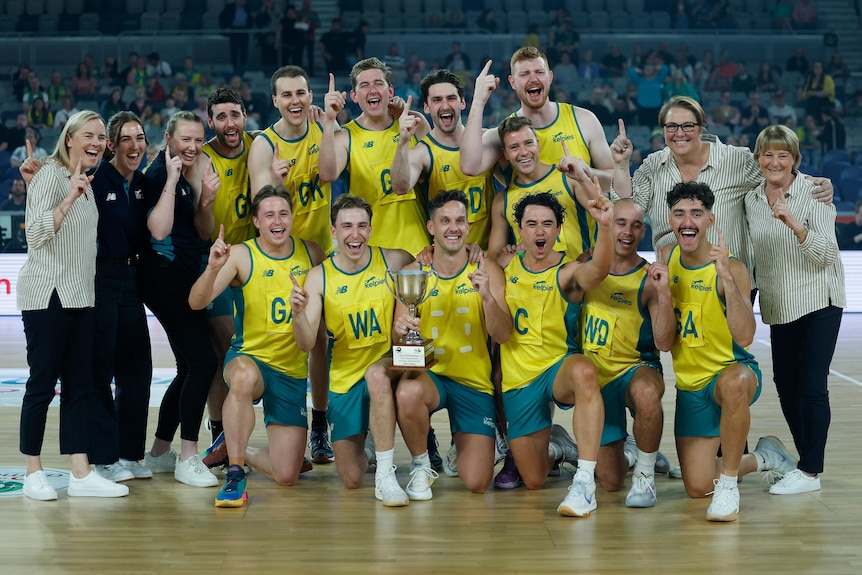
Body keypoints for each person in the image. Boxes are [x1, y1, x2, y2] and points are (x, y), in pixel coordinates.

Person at [656, 181, 796, 522]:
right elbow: (662, 342)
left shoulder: (731, 268)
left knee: (733, 384)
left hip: (732, 372)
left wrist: (728, 282)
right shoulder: (666, 257)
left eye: (696, 214)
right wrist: (661, 294)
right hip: (691, 386)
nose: (687, 220)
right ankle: (765, 457)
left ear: (710, 221)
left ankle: (730, 486)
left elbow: (746, 336)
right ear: (671, 220)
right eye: (679, 214)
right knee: (696, 486)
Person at [189, 185, 326, 507]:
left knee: (288, 474)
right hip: (251, 359)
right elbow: (196, 302)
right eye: (269, 215)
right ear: (256, 221)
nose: (277, 221)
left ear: (292, 217)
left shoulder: (313, 253)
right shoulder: (240, 254)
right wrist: (211, 269)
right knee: (241, 379)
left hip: (291, 373)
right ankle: (235, 472)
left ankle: (238, 450)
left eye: (283, 213)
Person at [17, 110, 129, 500]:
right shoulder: (48, 174)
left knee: (80, 385)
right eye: (89, 135)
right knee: (42, 385)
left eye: (101, 136)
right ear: (69, 138)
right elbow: (35, 235)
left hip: (82, 295)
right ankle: (33, 471)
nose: (97, 142)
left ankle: (80, 473)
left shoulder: (91, 182)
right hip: (47, 295)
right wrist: (66, 198)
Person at [612, 96, 833, 276]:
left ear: (701, 128)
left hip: (730, 277)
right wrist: (622, 166)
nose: (679, 133)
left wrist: (814, 181)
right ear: (663, 130)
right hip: (673, 277)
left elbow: (777, 171)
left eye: (687, 126)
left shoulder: (736, 160)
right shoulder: (653, 165)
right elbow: (627, 205)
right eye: (671, 126)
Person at [290, 194, 415, 506]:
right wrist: (297, 314)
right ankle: (371, 439)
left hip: (389, 365)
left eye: (361, 226)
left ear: (371, 230)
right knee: (351, 478)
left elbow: (428, 263)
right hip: (345, 377)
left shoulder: (394, 260)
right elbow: (306, 343)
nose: (354, 234)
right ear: (333, 231)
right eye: (346, 226)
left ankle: (387, 474)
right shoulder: (319, 276)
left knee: (376, 376)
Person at [497, 187, 613, 517]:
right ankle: (559, 447)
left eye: (547, 224)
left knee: (584, 371)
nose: (540, 231)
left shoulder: (568, 271)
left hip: (557, 368)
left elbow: (598, 271)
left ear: (558, 230)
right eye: (531, 224)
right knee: (533, 479)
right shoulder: (504, 265)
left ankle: (584, 482)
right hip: (520, 379)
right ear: (519, 229)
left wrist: (605, 226)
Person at [391, 191, 511, 500]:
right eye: (445, 221)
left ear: (469, 227)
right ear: (431, 227)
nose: (453, 228)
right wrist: (402, 328)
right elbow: (398, 340)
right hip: (430, 376)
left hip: (473, 382)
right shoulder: (413, 272)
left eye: (459, 221)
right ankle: (421, 464)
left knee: (477, 483)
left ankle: (465, 441)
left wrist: (486, 298)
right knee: (407, 392)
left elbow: (502, 335)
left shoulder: (488, 271)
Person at [745, 125, 845, 494]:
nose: (774, 162)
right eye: (767, 154)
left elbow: (827, 255)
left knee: (811, 385)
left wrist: (795, 225)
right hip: (779, 301)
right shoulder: (751, 199)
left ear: (795, 160)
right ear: (757, 159)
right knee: (785, 384)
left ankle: (811, 471)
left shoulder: (815, 193)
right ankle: (803, 465)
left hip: (820, 299)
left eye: (782, 155)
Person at [247, 65, 335, 464]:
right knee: (290, 340)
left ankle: (319, 425)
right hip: (286, 258)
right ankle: (249, 428)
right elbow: (261, 209)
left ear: (310, 95)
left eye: (301, 92)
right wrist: (277, 183)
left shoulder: (324, 127)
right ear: (275, 100)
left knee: (321, 343)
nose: (296, 100)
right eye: (287, 95)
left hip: (325, 253)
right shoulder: (265, 145)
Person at [140, 111, 219, 488]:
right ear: (168, 138)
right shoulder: (161, 175)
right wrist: (173, 180)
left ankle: (158, 453)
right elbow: (159, 231)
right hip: (163, 275)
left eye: (198, 140)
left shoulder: (183, 176)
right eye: (185, 139)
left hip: (180, 277)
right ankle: (188, 457)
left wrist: (206, 200)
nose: (192, 146)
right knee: (203, 362)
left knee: (189, 366)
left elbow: (200, 231)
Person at [581, 199, 676, 508]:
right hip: (595, 379)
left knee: (647, 393)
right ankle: (635, 446)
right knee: (609, 482)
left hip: (634, 368)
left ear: (643, 231)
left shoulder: (649, 277)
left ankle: (645, 475)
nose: (628, 231)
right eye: (621, 222)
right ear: (608, 223)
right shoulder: (585, 266)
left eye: (636, 225)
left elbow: (663, 343)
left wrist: (664, 294)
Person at [83, 112, 154, 482]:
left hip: (132, 279)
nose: (134, 146)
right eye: (126, 139)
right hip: (99, 277)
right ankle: (104, 458)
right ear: (111, 145)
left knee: (138, 370)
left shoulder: (142, 183)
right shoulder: (95, 181)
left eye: (139, 138)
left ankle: (129, 455)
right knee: (101, 369)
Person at [319, 58, 432, 256]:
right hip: (373, 255)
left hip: (420, 249)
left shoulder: (415, 122)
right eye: (364, 85)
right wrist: (329, 120)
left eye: (378, 83)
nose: (372, 90)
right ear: (354, 96)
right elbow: (327, 175)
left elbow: (435, 180)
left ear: (390, 91)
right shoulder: (346, 137)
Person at [461, 48, 619, 187]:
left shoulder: (585, 120)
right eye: (524, 74)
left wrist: (588, 173)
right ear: (513, 82)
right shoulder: (503, 134)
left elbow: (616, 181)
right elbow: (470, 167)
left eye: (539, 72)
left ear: (549, 77)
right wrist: (478, 101)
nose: (533, 79)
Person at [197, 88, 257, 450]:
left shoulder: (261, 146)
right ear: (210, 121)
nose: (229, 123)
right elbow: (201, 227)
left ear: (245, 115)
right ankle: (219, 431)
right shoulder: (201, 158)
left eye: (234, 114)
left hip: (254, 263)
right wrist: (205, 200)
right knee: (223, 346)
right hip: (214, 262)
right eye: (221, 117)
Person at [390, 69, 496, 249]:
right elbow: (400, 186)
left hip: (487, 257)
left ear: (462, 102)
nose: (445, 105)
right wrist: (402, 143)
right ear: (426, 107)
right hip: (448, 259)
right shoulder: (423, 152)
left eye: (451, 98)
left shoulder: (486, 139)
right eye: (437, 100)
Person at [487, 116, 598, 263]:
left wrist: (584, 178)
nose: (523, 152)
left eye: (528, 143)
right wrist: (517, 255)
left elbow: (602, 212)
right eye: (514, 147)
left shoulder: (569, 178)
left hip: (576, 279)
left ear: (538, 145)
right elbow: (494, 259)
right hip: (530, 284)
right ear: (506, 154)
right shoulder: (502, 201)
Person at [220, 0, 253, 71]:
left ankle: (243, 70)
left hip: (244, 31)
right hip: (233, 31)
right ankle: (234, 69)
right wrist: (225, 28)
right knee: (234, 52)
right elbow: (221, 17)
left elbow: (250, 19)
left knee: (244, 52)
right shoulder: (230, 7)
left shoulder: (247, 7)